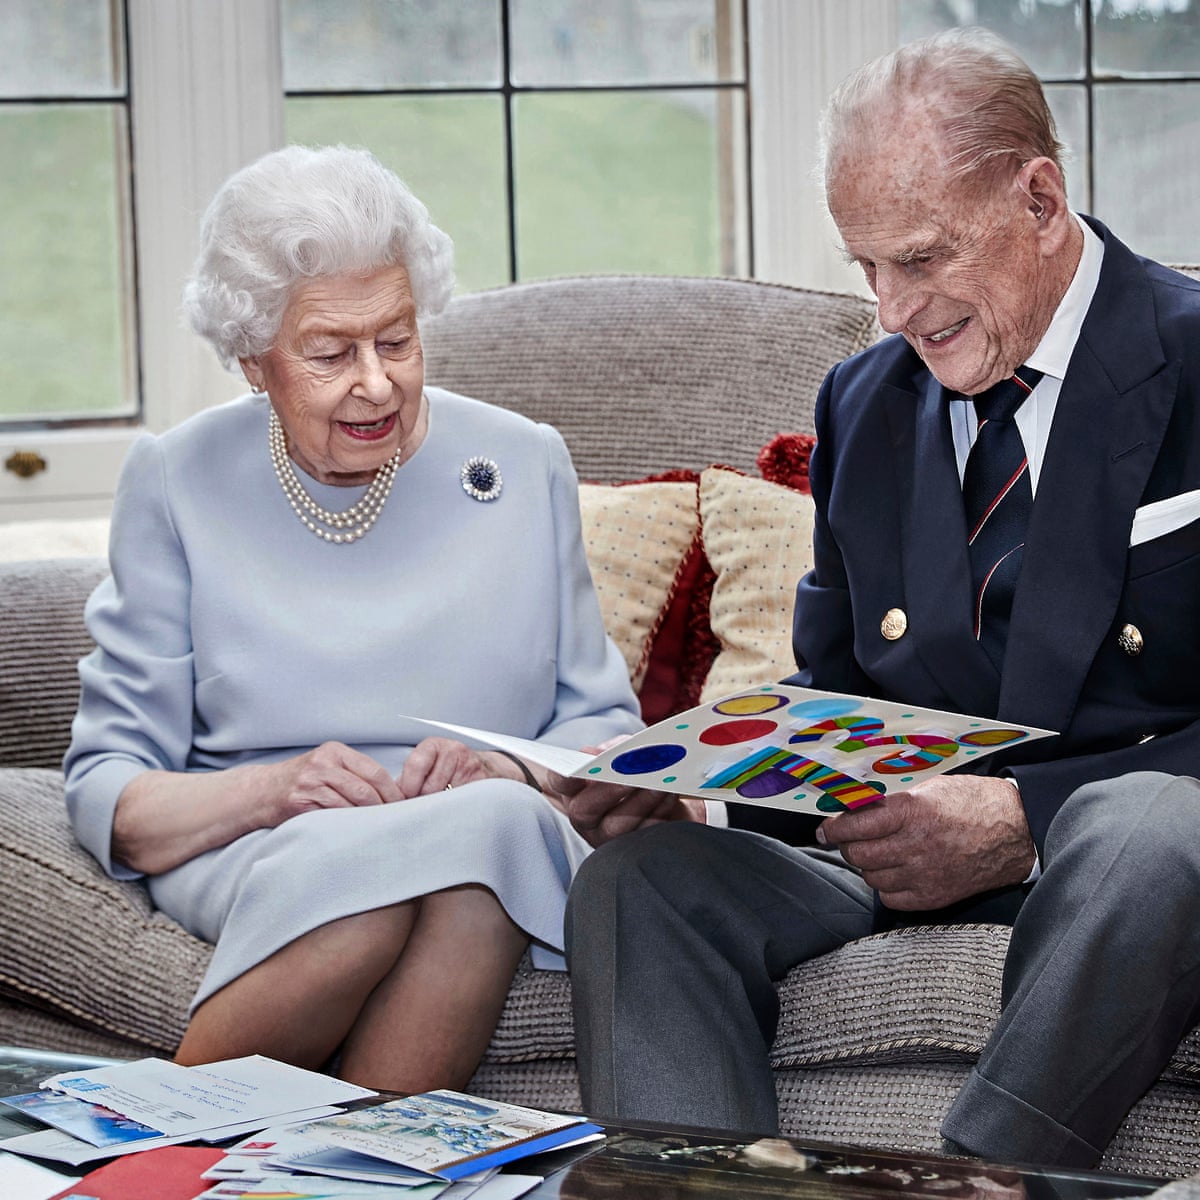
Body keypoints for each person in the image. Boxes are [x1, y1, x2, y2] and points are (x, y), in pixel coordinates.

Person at [560, 28, 1200, 1169]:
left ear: (1040, 199)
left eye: (920, 258)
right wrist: (699, 792)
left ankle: (975, 1185)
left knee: (1154, 829)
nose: (894, 307)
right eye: (867, 268)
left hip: (1109, 879)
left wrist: (1025, 824)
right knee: (641, 882)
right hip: (890, 865)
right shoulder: (864, 400)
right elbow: (837, 698)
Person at [63, 143, 642, 1093]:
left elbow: (603, 729)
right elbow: (113, 788)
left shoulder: (522, 460)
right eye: (330, 353)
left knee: (478, 848)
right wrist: (275, 791)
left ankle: (149, 1163)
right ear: (254, 362)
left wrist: (505, 765)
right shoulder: (177, 479)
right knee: (389, 890)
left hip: (482, 826)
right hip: (257, 837)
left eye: (398, 340)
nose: (376, 382)